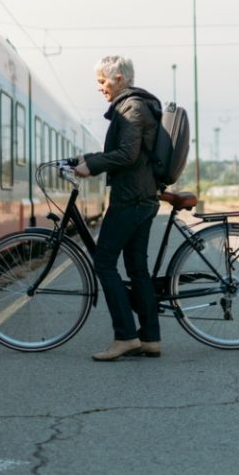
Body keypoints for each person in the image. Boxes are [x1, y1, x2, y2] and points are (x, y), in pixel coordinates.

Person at [73, 55, 162, 361]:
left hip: (131, 200)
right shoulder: (132, 107)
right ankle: (150, 338)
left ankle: (125, 336)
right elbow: (123, 152)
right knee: (137, 268)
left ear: (119, 79)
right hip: (141, 197)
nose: (100, 88)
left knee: (104, 263)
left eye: (102, 81)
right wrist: (82, 160)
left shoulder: (132, 108)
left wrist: (93, 166)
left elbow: (126, 154)